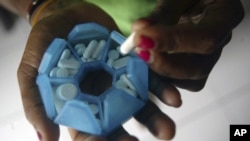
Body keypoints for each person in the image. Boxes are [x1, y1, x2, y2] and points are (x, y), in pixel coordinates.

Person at [0, 0, 244, 141]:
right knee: (142, 83)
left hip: (159, 35)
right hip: (115, 33)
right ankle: (135, 100)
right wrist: (42, 5)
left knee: (146, 78)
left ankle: (135, 99)